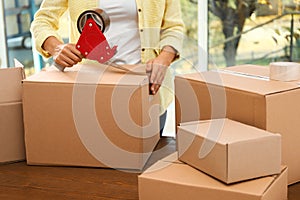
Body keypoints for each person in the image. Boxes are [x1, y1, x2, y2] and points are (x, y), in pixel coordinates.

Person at [30, 0, 184, 136]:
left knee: (148, 165)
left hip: (147, 89)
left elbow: (174, 27)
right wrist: (56, 47)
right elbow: (42, 21)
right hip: (91, 92)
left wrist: (164, 59)